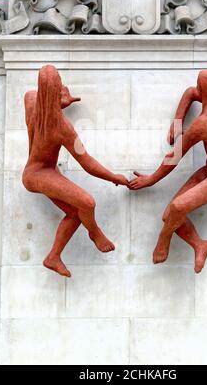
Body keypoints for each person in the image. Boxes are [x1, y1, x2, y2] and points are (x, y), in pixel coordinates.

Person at [22, 64, 128, 278]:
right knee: (87, 203)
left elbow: (36, 96)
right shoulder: (62, 128)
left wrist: (59, 102)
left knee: (75, 212)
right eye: (60, 81)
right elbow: (87, 163)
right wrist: (114, 177)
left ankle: (53, 257)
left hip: (39, 171)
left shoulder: (32, 101)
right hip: (37, 175)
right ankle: (94, 232)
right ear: (56, 88)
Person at [129, 70, 207, 273]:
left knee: (178, 208)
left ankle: (164, 238)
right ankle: (200, 245)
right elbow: (189, 93)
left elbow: (174, 157)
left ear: (201, 87)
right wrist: (177, 123)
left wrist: (151, 180)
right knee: (169, 214)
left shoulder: (205, 122)